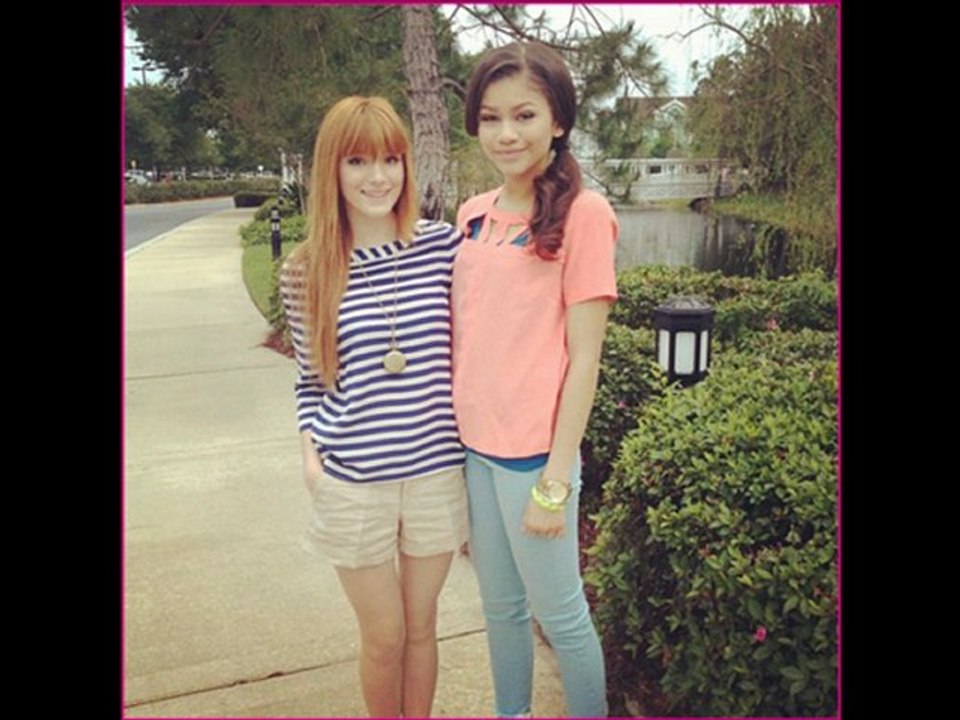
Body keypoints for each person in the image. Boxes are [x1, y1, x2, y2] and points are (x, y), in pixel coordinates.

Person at [279, 96, 467, 718]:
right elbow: (311, 381)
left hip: (436, 472)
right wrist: (311, 460)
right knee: (384, 637)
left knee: (422, 627)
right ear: (331, 169)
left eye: (391, 159)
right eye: (358, 161)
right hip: (354, 481)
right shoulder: (306, 270)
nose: (378, 177)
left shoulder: (443, 248)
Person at [452, 42, 618, 718]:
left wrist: (554, 482)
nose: (506, 133)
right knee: (500, 608)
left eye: (524, 115)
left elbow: (585, 358)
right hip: (475, 451)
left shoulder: (585, 214)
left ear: (558, 121)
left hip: (533, 459)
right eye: (491, 117)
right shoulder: (472, 214)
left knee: (562, 616)